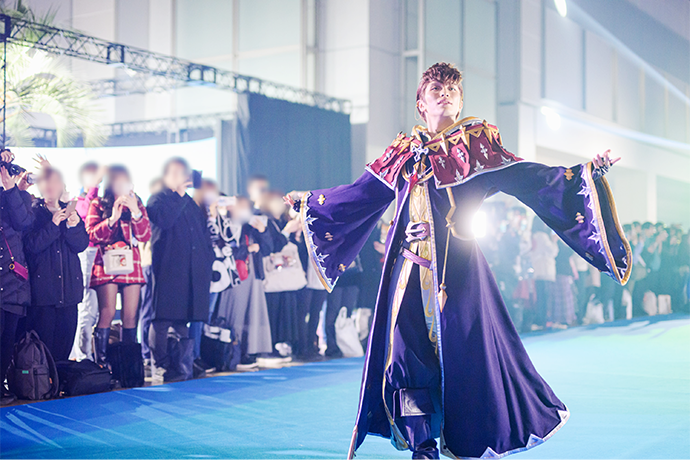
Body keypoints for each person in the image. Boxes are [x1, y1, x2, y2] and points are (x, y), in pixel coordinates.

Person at [286, 62, 630, 459]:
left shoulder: (476, 145)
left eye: (452, 89)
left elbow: (528, 178)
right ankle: (423, 446)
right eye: (436, 88)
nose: (445, 94)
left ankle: (466, 436)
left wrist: (586, 172)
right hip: (407, 272)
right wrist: (310, 201)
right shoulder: (401, 153)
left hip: (460, 275)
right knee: (404, 360)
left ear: (461, 101)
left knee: (465, 360)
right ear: (421, 103)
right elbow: (361, 194)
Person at [146, 158, 214, 381]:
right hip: (168, 269)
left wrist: (207, 260)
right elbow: (164, 221)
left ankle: (182, 365)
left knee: (182, 319)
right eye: (176, 173)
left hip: (191, 271)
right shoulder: (158, 198)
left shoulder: (190, 203)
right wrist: (177, 194)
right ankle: (161, 364)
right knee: (162, 319)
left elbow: (203, 234)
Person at [86, 165, 152, 365]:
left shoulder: (136, 204)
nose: (122, 184)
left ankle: (129, 365)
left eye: (125, 180)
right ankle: (102, 364)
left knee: (131, 315)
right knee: (107, 312)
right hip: (107, 264)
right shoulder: (98, 204)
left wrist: (136, 212)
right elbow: (91, 235)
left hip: (131, 264)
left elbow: (145, 235)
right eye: (118, 180)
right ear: (111, 182)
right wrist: (112, 218)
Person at [23, 168, 89, 361]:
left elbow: (81, 245)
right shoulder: (32, 212)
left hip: (69, 295)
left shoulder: (70, 212)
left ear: (63, 186)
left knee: (63, 352)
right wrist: (52, 225)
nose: (50, 185)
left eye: (55, 181)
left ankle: (61, 380)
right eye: (45, 181)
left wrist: (73, 225)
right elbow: (31, 245)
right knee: (42, 354)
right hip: (44, 296)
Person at [0, 149, 33, 406]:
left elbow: (23, 222)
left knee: (6, 339)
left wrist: (12, 189)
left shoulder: (17, 195)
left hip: (11, 281)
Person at [70, 162, 107, 362]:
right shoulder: (78, 201)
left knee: (98, 309)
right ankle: (83, 356)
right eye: (92, 176)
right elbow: (85, 215)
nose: (97, 180)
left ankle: (91, 355)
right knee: (87, 307)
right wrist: (94, 186)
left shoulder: (101, 200)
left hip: (100, 254)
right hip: (87, 254)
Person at [529, 218, 559, 330]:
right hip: (546, 270)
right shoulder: (542, 236)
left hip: (538, 270)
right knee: (546, 298)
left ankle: (541, 321)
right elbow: (553, 251)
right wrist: (554, 241)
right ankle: (545, 321)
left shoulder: (533, 236)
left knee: (541, 297)